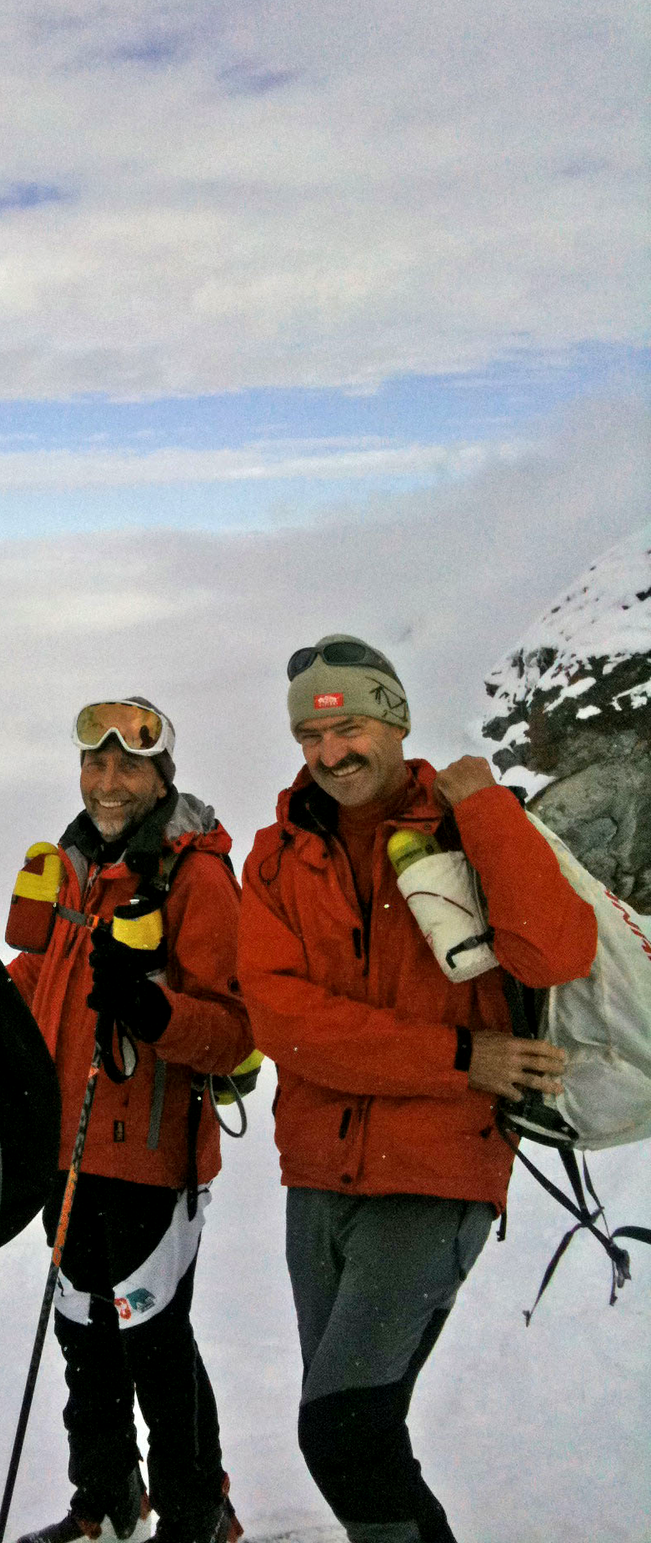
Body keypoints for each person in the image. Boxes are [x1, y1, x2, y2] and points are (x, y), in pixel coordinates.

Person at [236, 635, 598, 1543]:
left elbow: (556, 951)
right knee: (360, 1428)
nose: (331, 755)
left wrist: (486, 809)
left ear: (393, 720)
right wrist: (454, 1055)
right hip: (319, 1175)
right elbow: (285, 1022)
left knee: (342, 1428)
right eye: (311, 738)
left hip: (438, 1169)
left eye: (349, 727)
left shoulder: (465, 822)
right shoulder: (276, 856)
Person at [7, 698, 253, 1543]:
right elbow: (35, 976)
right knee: (84, 1338)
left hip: (154, 1155)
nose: (108, 783)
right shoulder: (74, 866)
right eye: (95, 764)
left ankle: (197, 1513)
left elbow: (232, 1030)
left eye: (129, 768)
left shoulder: (197, 875)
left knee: (155, 1344)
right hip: (68, 1150)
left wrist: (153, 1011)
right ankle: (107, 1500)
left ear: (159, 778)